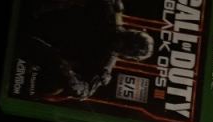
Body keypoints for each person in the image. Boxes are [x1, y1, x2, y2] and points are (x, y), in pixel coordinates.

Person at [22, 0, 154, 101]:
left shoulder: (103, 66)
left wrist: (64, 70)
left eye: (127, 47)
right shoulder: (107, 11)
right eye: (127, 39)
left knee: (54, 83)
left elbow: (84, 91)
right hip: (41, 15)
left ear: (127, 55)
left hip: (39, 48)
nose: (120, 43)